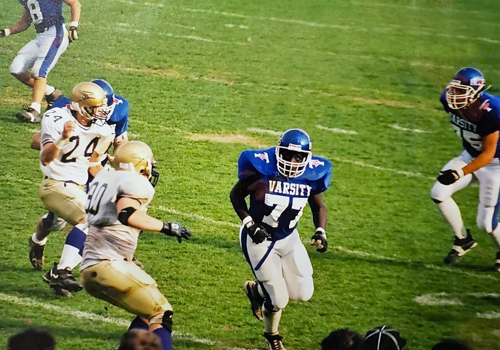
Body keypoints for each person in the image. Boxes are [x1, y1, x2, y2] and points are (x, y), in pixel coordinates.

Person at [80, 140, 192, 350]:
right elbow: (127, 214)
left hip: (90, 268)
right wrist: (166, 226)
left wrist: (99, 151)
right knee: (162, 313)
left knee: (146, 311)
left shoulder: (105, 178)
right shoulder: (136, 183)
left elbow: (93, 166)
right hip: (109, 265)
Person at [230, 128, 332, 350]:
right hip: (259, 238)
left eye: (298, 157)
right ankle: (272, 336)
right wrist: (250, 224)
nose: (292, 161)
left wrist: (320, 231)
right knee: (278, 300)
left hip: (289, 237)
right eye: (287, 155)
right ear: (278, 152)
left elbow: (319, 206)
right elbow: (236, 195)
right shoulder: (263, 171)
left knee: (303, 293)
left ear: (307, 157)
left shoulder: (309, 176)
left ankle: (255, 291)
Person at [27, 81, 114, 297]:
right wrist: (62, 138)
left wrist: (118, 180)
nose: (101, 111)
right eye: (96, 107)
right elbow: (46, 159)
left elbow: (93, 166)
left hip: (77, 187)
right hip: (55, 184)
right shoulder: (56, 117)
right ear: (82, 106)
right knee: (93, 221)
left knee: (55, 224)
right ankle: (61, 271)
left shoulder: (103, 130)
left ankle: (41, 247)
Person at [430, 67, 500, 270]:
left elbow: (487, 154)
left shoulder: (491, 111)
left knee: (486, 224)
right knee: (438, 193)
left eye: (461, 91)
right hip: (469, 154)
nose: (454, 95)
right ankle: (463, 239)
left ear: (475, 93)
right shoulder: (448, 100)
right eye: (454, 89)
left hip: (495, 165)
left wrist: (459, 172)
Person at [1, 0, 81, 123]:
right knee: (16, 68)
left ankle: (35, 110)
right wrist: (5, 32)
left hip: (56, 34)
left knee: (39, 72)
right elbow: (24, 23)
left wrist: (73, 26)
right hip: (41, 36)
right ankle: (52, 93)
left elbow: (75, 3)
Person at [30, 79, 130, 151]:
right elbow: (36, 142)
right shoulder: (62, 111)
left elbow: (120, 142)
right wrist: (66, 144)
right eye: (97, 107)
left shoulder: (118, 110)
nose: (102, 112)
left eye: (105, 108)